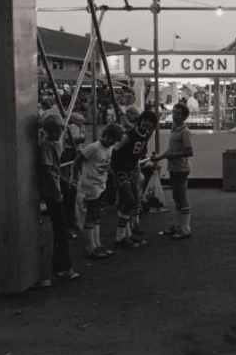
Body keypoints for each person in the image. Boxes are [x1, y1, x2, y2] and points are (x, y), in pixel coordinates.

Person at [71, 122, 123, 260]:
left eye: (114, 140)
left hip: (101, 183)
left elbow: (107, 164)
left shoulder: (109, 148)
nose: (111, 142)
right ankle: (90, 247)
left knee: (96, 215)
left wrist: (112, 175)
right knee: (91, 214)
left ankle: (97, 244)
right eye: (110, 138)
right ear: (105, 135)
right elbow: (77, 161)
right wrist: (74, 177)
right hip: (90, 184)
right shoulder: (94, 147)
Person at [38, 113, 78, 284]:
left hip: (54, 188)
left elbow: (53, 170)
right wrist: (56, 192)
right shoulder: (47, 145)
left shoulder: (52, 144)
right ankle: (62, 268)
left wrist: (63, 181)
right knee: (60, 230)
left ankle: (61, 266)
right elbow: (47, 170)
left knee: (61, 229)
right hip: (52, 192)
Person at [110, 109, 158, 250]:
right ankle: (120, 237)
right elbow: (114, 150)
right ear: (140, 120)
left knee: (129, 201)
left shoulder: (144, 136)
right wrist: (115, 170)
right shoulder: (129, 135)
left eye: (150, 122)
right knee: (129, 200)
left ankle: (126, 234)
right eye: (145, 120)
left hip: (131, 171)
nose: (147, 123)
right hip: (121, 171)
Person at [152, 101, 194, 240]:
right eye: (173, 112)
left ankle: (186, 228)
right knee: (176, 197)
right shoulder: (173, 129)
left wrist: (172, 156)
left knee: (181, 197)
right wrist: (160, 157)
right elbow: (171, 149)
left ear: (184, 116)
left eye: (177, 113)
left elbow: (189, 151)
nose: (174, 115)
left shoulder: (185, 132)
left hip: (181, 168)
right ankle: (179, 226)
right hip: (173, 167)